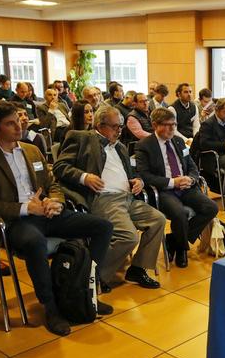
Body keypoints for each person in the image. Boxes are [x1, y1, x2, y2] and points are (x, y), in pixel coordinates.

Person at [0, 101, 114, 336]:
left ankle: (85, 290)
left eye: (19, 120)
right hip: (16, 221)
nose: (19, 126)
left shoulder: (31, 150)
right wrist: (27, 208)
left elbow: (52, 183)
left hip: (47, 212)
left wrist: (55, 201)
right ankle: (51, 307)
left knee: (102, 227)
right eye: (10, 123)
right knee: (36, 243)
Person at [53, 106, 165, 289]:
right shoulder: (81, 138)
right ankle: (95, 275)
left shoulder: (120, 147)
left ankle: (137, 269)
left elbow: (131, 172)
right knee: (129, 236)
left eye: (120, 126)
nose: (119, 131)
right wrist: (85, 177)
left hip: (127, 197)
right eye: (115, 127)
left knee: (158, 220)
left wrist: (138, 181)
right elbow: (60, 167)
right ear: (99, 125)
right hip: (104, 198)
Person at [135, 107, 218, 268]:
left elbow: (192, 166)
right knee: (179, 214)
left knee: (211, 207)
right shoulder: (144, 145)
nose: (172, 128)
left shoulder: (179, 142)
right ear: (155, 125)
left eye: (174, 124)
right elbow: (145, 175)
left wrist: (191, 179)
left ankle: (173, 241)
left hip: (186, 187)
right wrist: (173, 182)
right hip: (164, 190)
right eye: (167, 125)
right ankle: (181, 249)